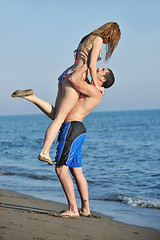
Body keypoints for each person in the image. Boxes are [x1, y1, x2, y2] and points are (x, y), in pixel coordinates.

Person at [11, 63, 115, 218]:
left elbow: (73, 79)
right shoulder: (93, 88)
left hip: (71, 129)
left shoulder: (94, 90)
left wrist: (87, 64)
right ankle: (85, 209)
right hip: (77, 129)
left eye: (101, 71)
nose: (98, 69)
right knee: (76, 171)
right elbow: (77, 79)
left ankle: (73, 210)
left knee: (61, 169)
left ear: (103, 80)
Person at [31, 22, 120, 164]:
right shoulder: (98, 40)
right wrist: (95, 84)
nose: (109, 43)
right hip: (73, 78)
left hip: (66, 74)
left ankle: (32, 97)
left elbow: (80, 59)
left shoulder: (87, 37)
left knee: (56, 114)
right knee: (59, 119)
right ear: (111, 34)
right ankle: (44, 152)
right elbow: (91, 65)